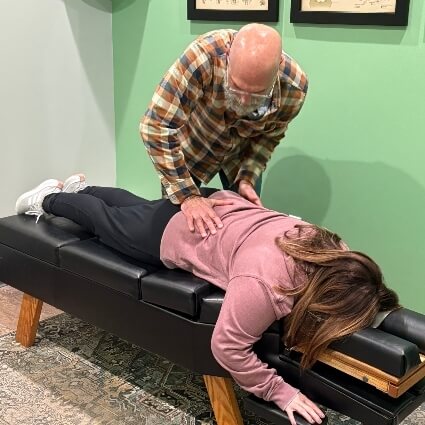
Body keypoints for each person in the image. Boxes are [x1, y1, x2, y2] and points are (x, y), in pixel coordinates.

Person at [15, 175, 400, 425]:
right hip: (175, 235)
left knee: (134, 204)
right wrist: (280, 391)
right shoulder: (264, 284)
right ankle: (49, 197)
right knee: (104, 222)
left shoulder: (333, 247)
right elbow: (228, 347)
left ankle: (85, 185)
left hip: (214, 204)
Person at [140, 23, 308, 238]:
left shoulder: (294, 88)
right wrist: (188, 197)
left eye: (256, 94)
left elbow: (268, 138)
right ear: (228, 58)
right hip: (191, 149)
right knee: (180, 228)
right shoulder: (203, 56)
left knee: (243, 228)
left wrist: (248, 177)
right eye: (236, 87)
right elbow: (156, 125)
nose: (244, 100)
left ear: (277, 70)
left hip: (240, 158)